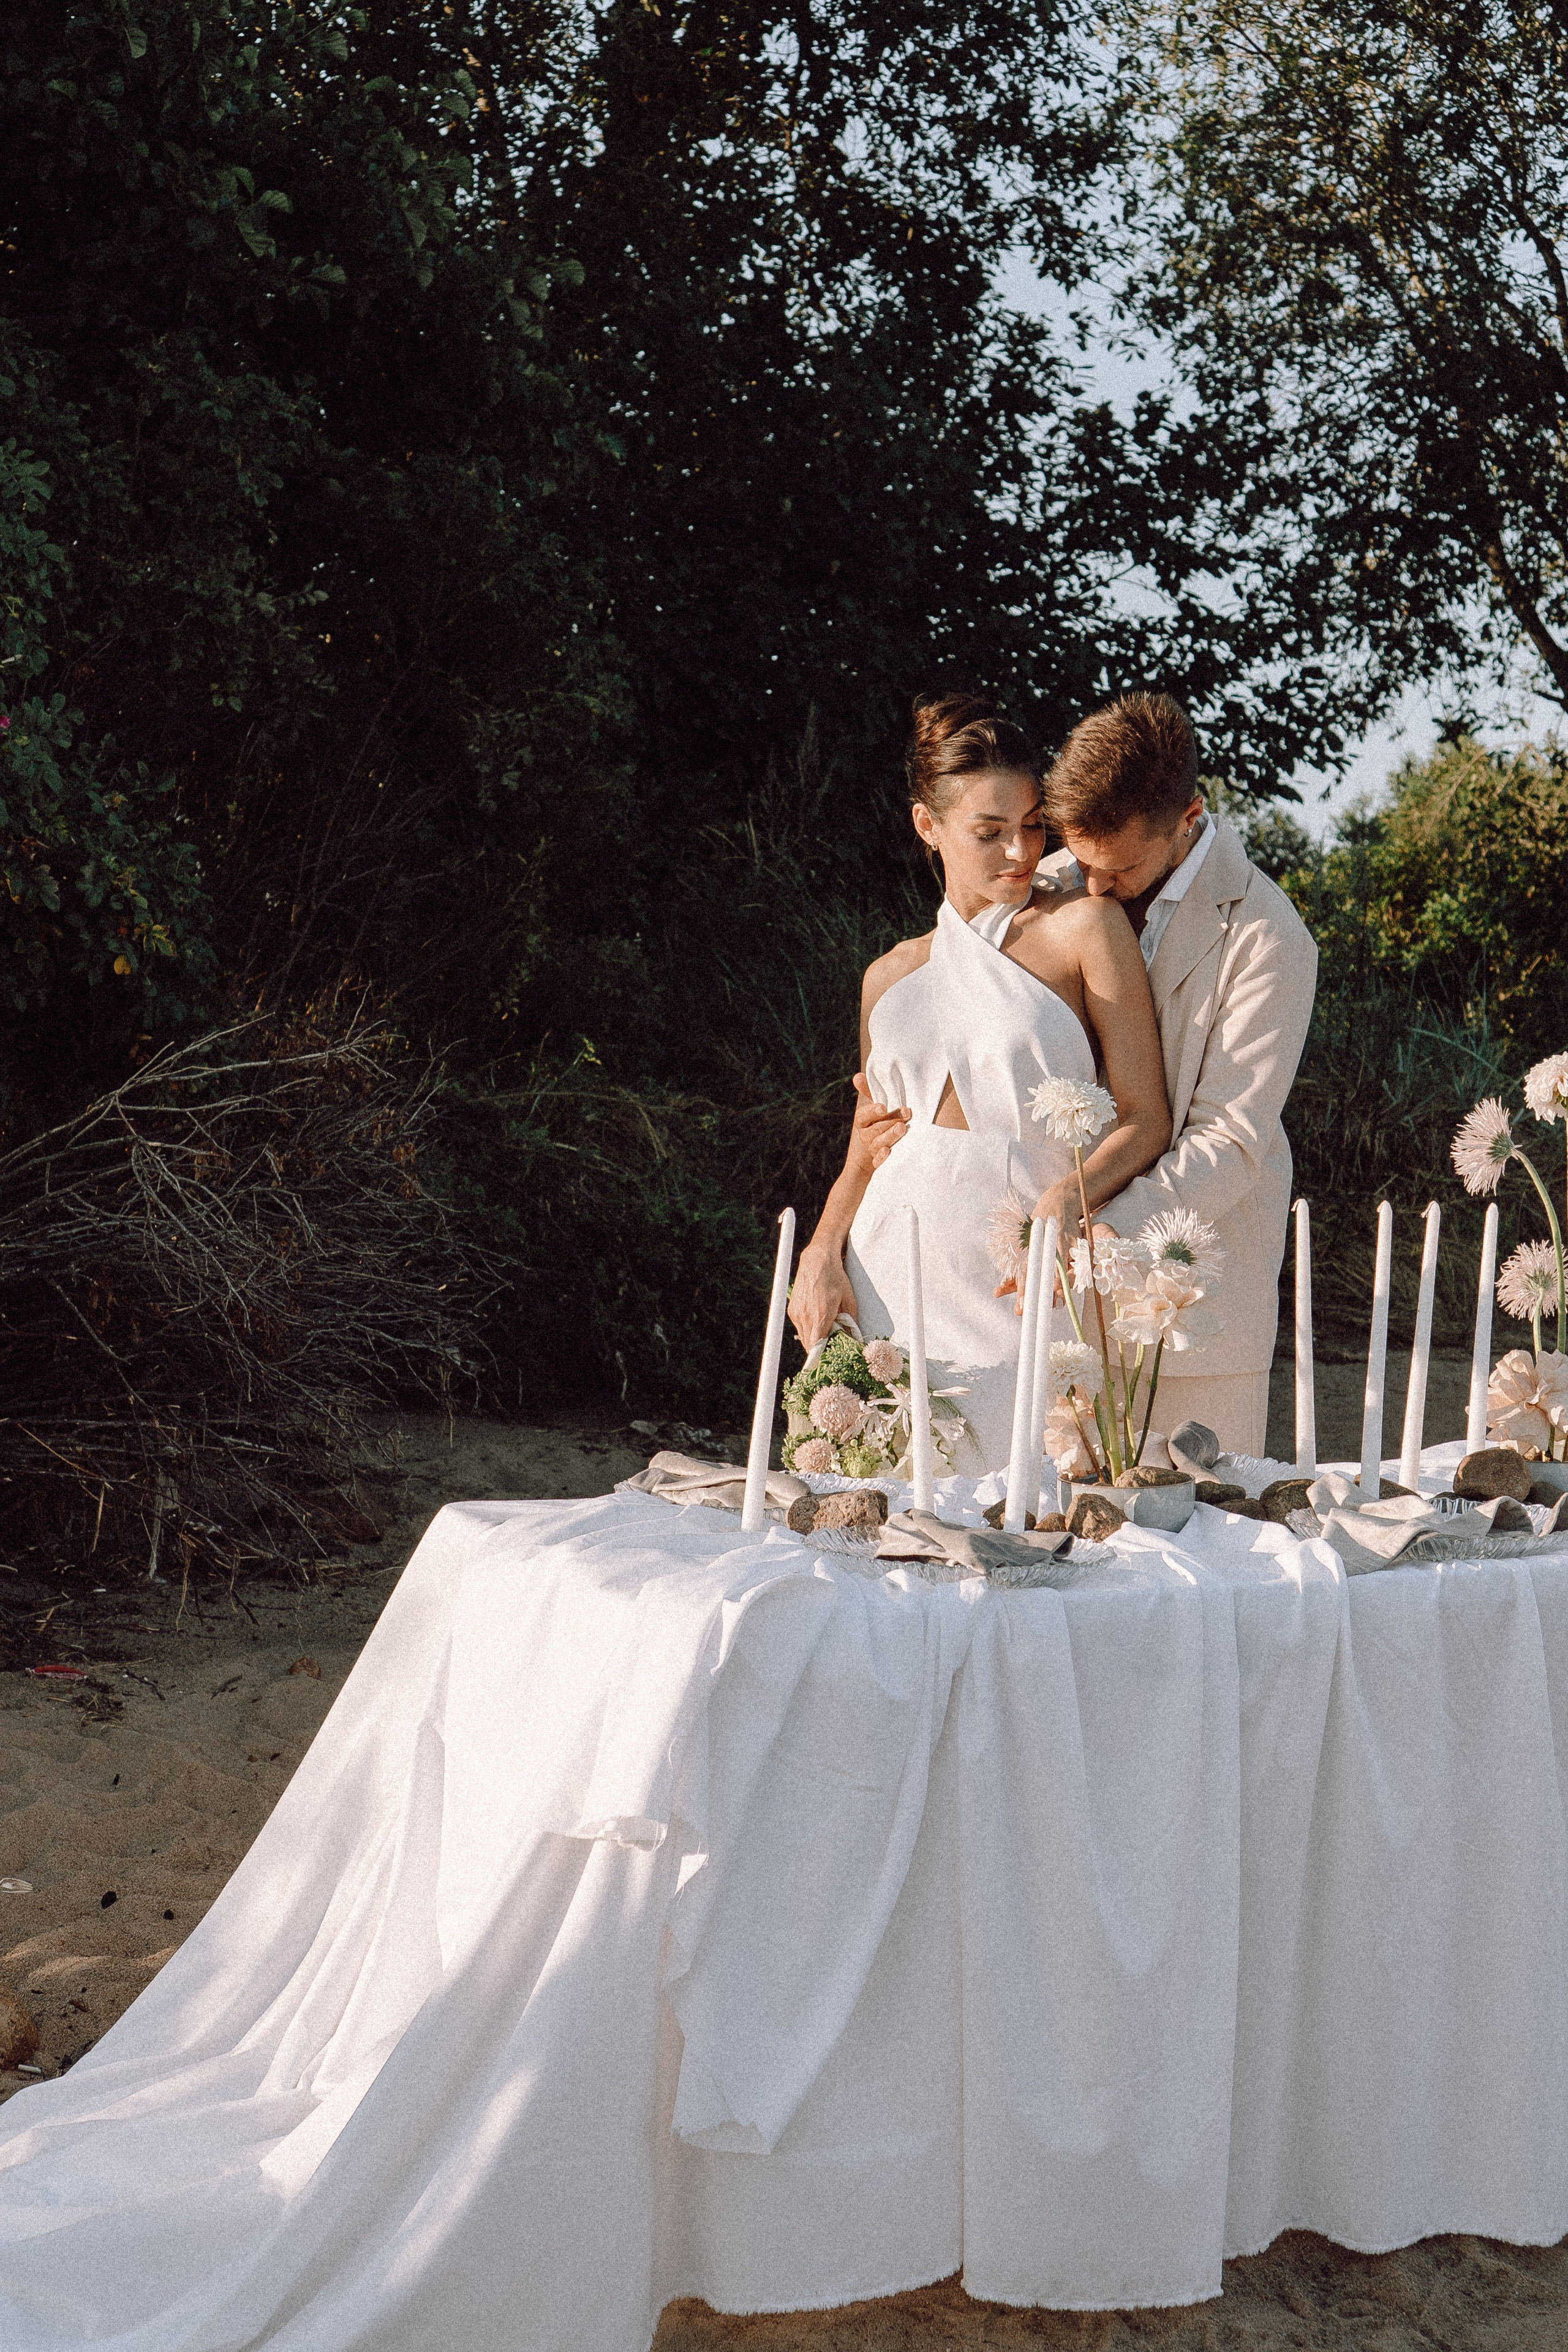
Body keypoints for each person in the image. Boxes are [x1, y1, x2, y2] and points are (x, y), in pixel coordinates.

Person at [788, 696, 1171, 1471]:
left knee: (1024, 1506)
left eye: (1032, 825)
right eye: (988, 833)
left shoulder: (1084, 930)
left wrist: (1064, 1202)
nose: (1020, 854)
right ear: (928, 827)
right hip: (887, 1267)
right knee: (870, 1514)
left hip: (1015, 1274)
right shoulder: (888, 976)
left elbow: (1145, 1117)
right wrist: (821, 1247)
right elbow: (869, 1145)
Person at [1035, 692, 1317, 1457]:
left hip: (1194, 1307)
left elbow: (1229, 1138)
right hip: (1042, 1297)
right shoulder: (1053, 880)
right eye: (1078, 857)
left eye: (1116, 866)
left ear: (1187, 817)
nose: (1088, 886)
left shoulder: (1270, 937)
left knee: (1199, 1544)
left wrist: (1096, 1241)